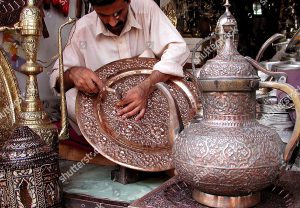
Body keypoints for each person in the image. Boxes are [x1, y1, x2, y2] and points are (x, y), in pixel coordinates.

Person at [49, 0, 190, 128]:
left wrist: (148, 86)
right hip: (107, 117)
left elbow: (179, 49)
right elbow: (57, 79)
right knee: (70, 97)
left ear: (129, 1)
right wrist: (74, 73)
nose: (112, 23)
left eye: (118, 13)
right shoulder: (83, 28)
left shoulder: (147, 10)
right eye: (103, 15)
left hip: (151, 106)